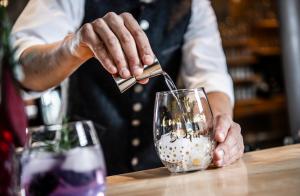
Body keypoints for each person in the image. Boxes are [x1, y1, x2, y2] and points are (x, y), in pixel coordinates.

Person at [11, 0, 244, 175]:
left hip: (163, 175)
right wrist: (74, 47)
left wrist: (220, 126)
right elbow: (19, 70)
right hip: (86, 170)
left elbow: (210, 76)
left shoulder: (194, 4)